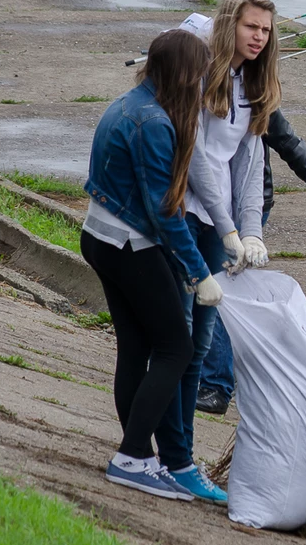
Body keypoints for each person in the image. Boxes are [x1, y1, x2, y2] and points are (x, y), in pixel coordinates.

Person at [79, 28, 227, 502]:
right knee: (176, 349)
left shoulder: (130, 103)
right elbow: (164, 211)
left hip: (99, 236)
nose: (202, 85)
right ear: (184, 74)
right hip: (129, 246)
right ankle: (130, 457)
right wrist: (199, 273)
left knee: (136, 347)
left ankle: (141, 456)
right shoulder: (155, 123)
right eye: (200, 75)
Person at [163, 0, 282, 485]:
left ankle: (183, 455)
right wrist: (229, 227)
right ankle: (163, 448)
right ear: (229, 23)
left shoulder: (253, 82)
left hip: (219, 226)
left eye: (266, 30)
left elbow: (247, 167)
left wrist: (250, 232)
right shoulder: (200, 73)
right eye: (251, 26)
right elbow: (194, 159)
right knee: (178, 334)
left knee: (202, 337)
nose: (259, 37)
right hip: (185, 213)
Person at [195, 109, 306, 415]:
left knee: (219, 288)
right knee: (202, 285)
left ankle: (216, 384)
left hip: (244, 205)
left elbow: (286, 140)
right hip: (201, 200)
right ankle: (203, 371)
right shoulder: (200, 91)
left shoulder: (253, 95)